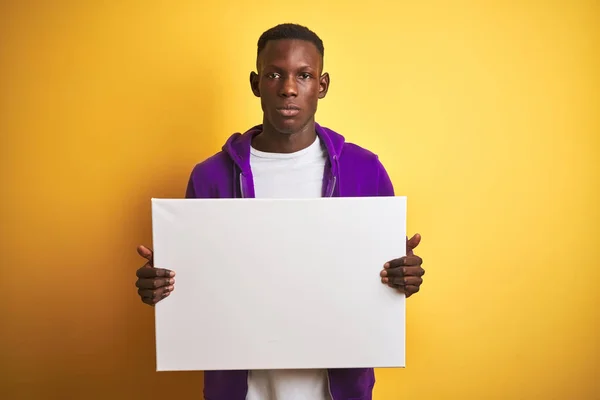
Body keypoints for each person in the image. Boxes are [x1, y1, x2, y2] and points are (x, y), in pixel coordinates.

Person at [135, 23, 425, 400]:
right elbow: (196, 286)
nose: (289, 88)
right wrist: (162, 286)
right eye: (274, 74)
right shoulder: (210, 176)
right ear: (256, 84)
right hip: (242, 388)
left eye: (304, 75)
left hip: (336, 387)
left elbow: (384, 279)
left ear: (321, 85)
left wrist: (405, 277)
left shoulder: (364, 169)